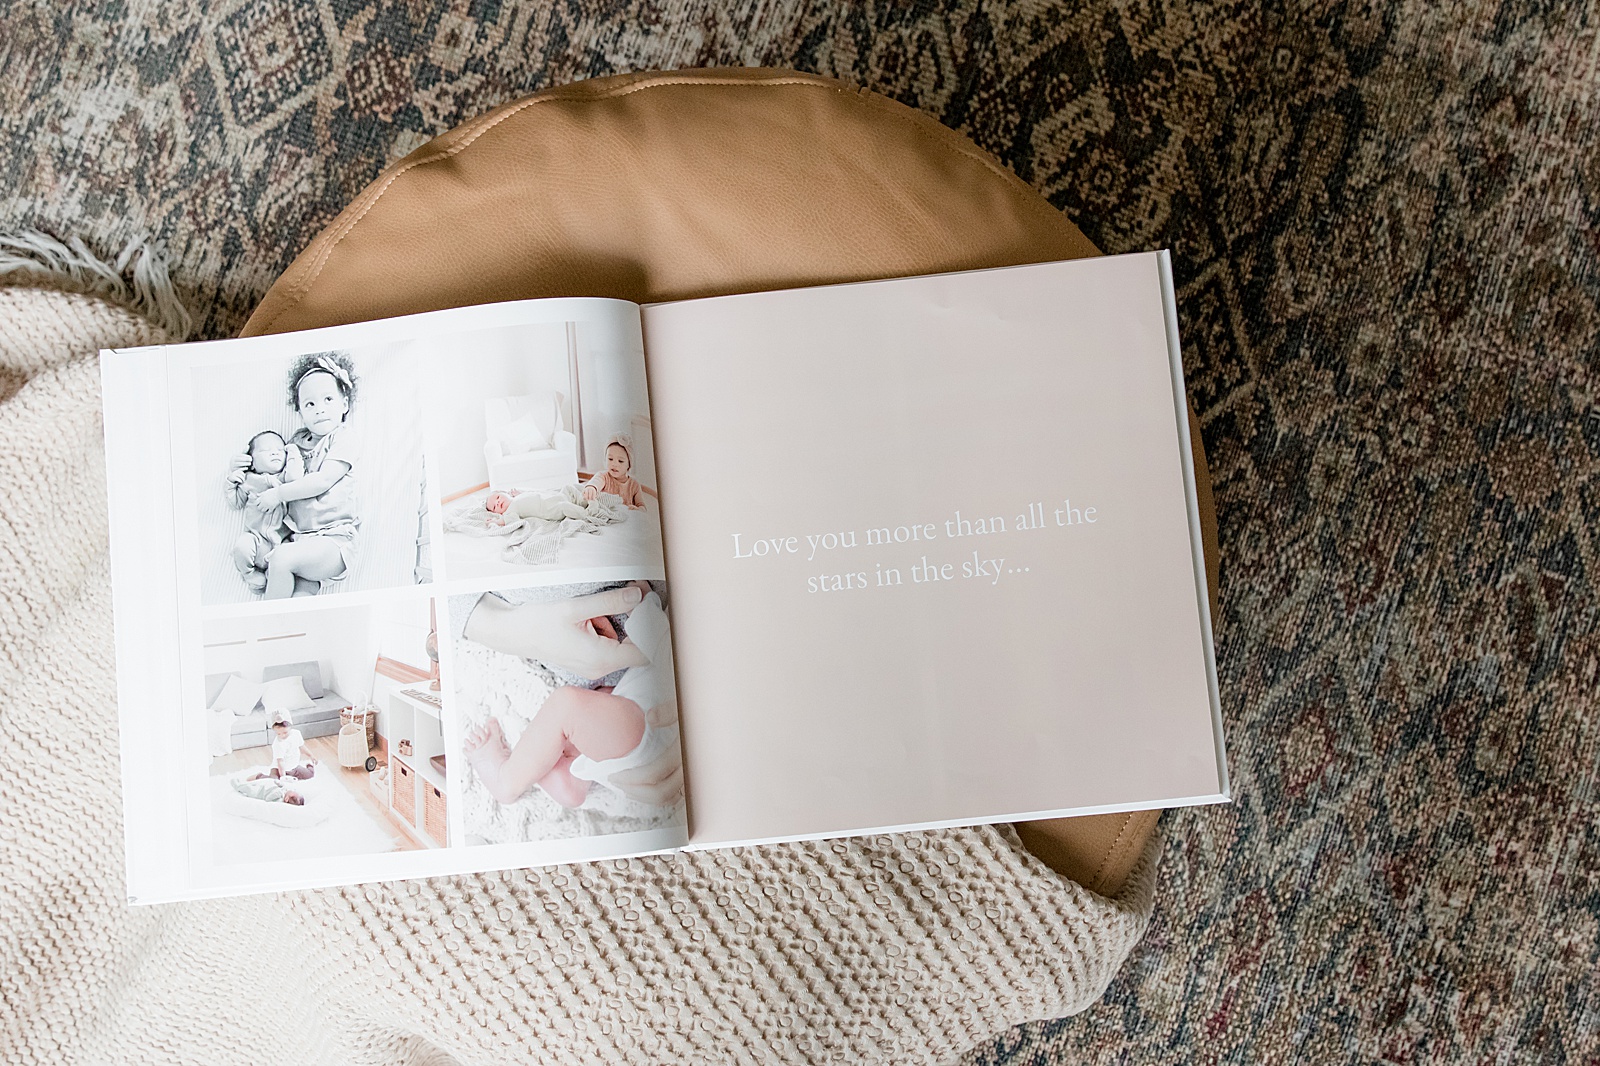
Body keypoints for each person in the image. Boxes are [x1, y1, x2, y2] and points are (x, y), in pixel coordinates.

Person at [460, 584, 683, 806]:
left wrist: (640, 597)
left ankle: (506, 781)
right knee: (603, 699)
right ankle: (573, 775)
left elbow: (652, 624)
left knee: (567, 706)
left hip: (647, 733)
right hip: (646, 743)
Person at [232, 352, 361, 599]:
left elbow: (323, 480)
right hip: (298, 540)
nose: (319, 409)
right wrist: (244, 464)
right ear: (300, 411)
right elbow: (271, 472)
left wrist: (278, 494)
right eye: (310, 404)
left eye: (328, 399)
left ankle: (266, 619)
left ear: (344, 404)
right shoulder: (295, 442)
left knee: (281, 559)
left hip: (333, 541)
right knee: (298, 598)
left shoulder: (343, 437)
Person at [224, 429, 304, 592]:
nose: (274, 453)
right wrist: (231, 483)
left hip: (283, 540)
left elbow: (296, 477)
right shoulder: (249, 480)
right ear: (252, 462)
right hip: (256, 538)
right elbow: (235, 503)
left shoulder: (286, 479)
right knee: (242, 547)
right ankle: (249, 574)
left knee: (293, 556)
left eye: (280, 449)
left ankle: (270, 578)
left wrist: (293, 451)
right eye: (266, 450)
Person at [580, 436, 646, 509]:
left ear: (629, 464)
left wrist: (638, 509)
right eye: (610, 459)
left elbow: (642, 506)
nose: (614, 464)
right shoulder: (603, 476)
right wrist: (592, 488)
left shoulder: (634, 485)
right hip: (605, 512)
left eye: (620, 461)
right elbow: (596, 482)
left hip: (624, 515)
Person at [232, 776, 306, 806]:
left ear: (286, 799)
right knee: (251, 784)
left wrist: (280, 792)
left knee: (248, 788)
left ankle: (237, 786)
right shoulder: (285, 791)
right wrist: (279, 783)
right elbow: (282, 786)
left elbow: (268, 798)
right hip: (263, 788)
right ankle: (242, 783)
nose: (292, 790)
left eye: (293, 792)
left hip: (258, 794)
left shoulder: (279, 799)